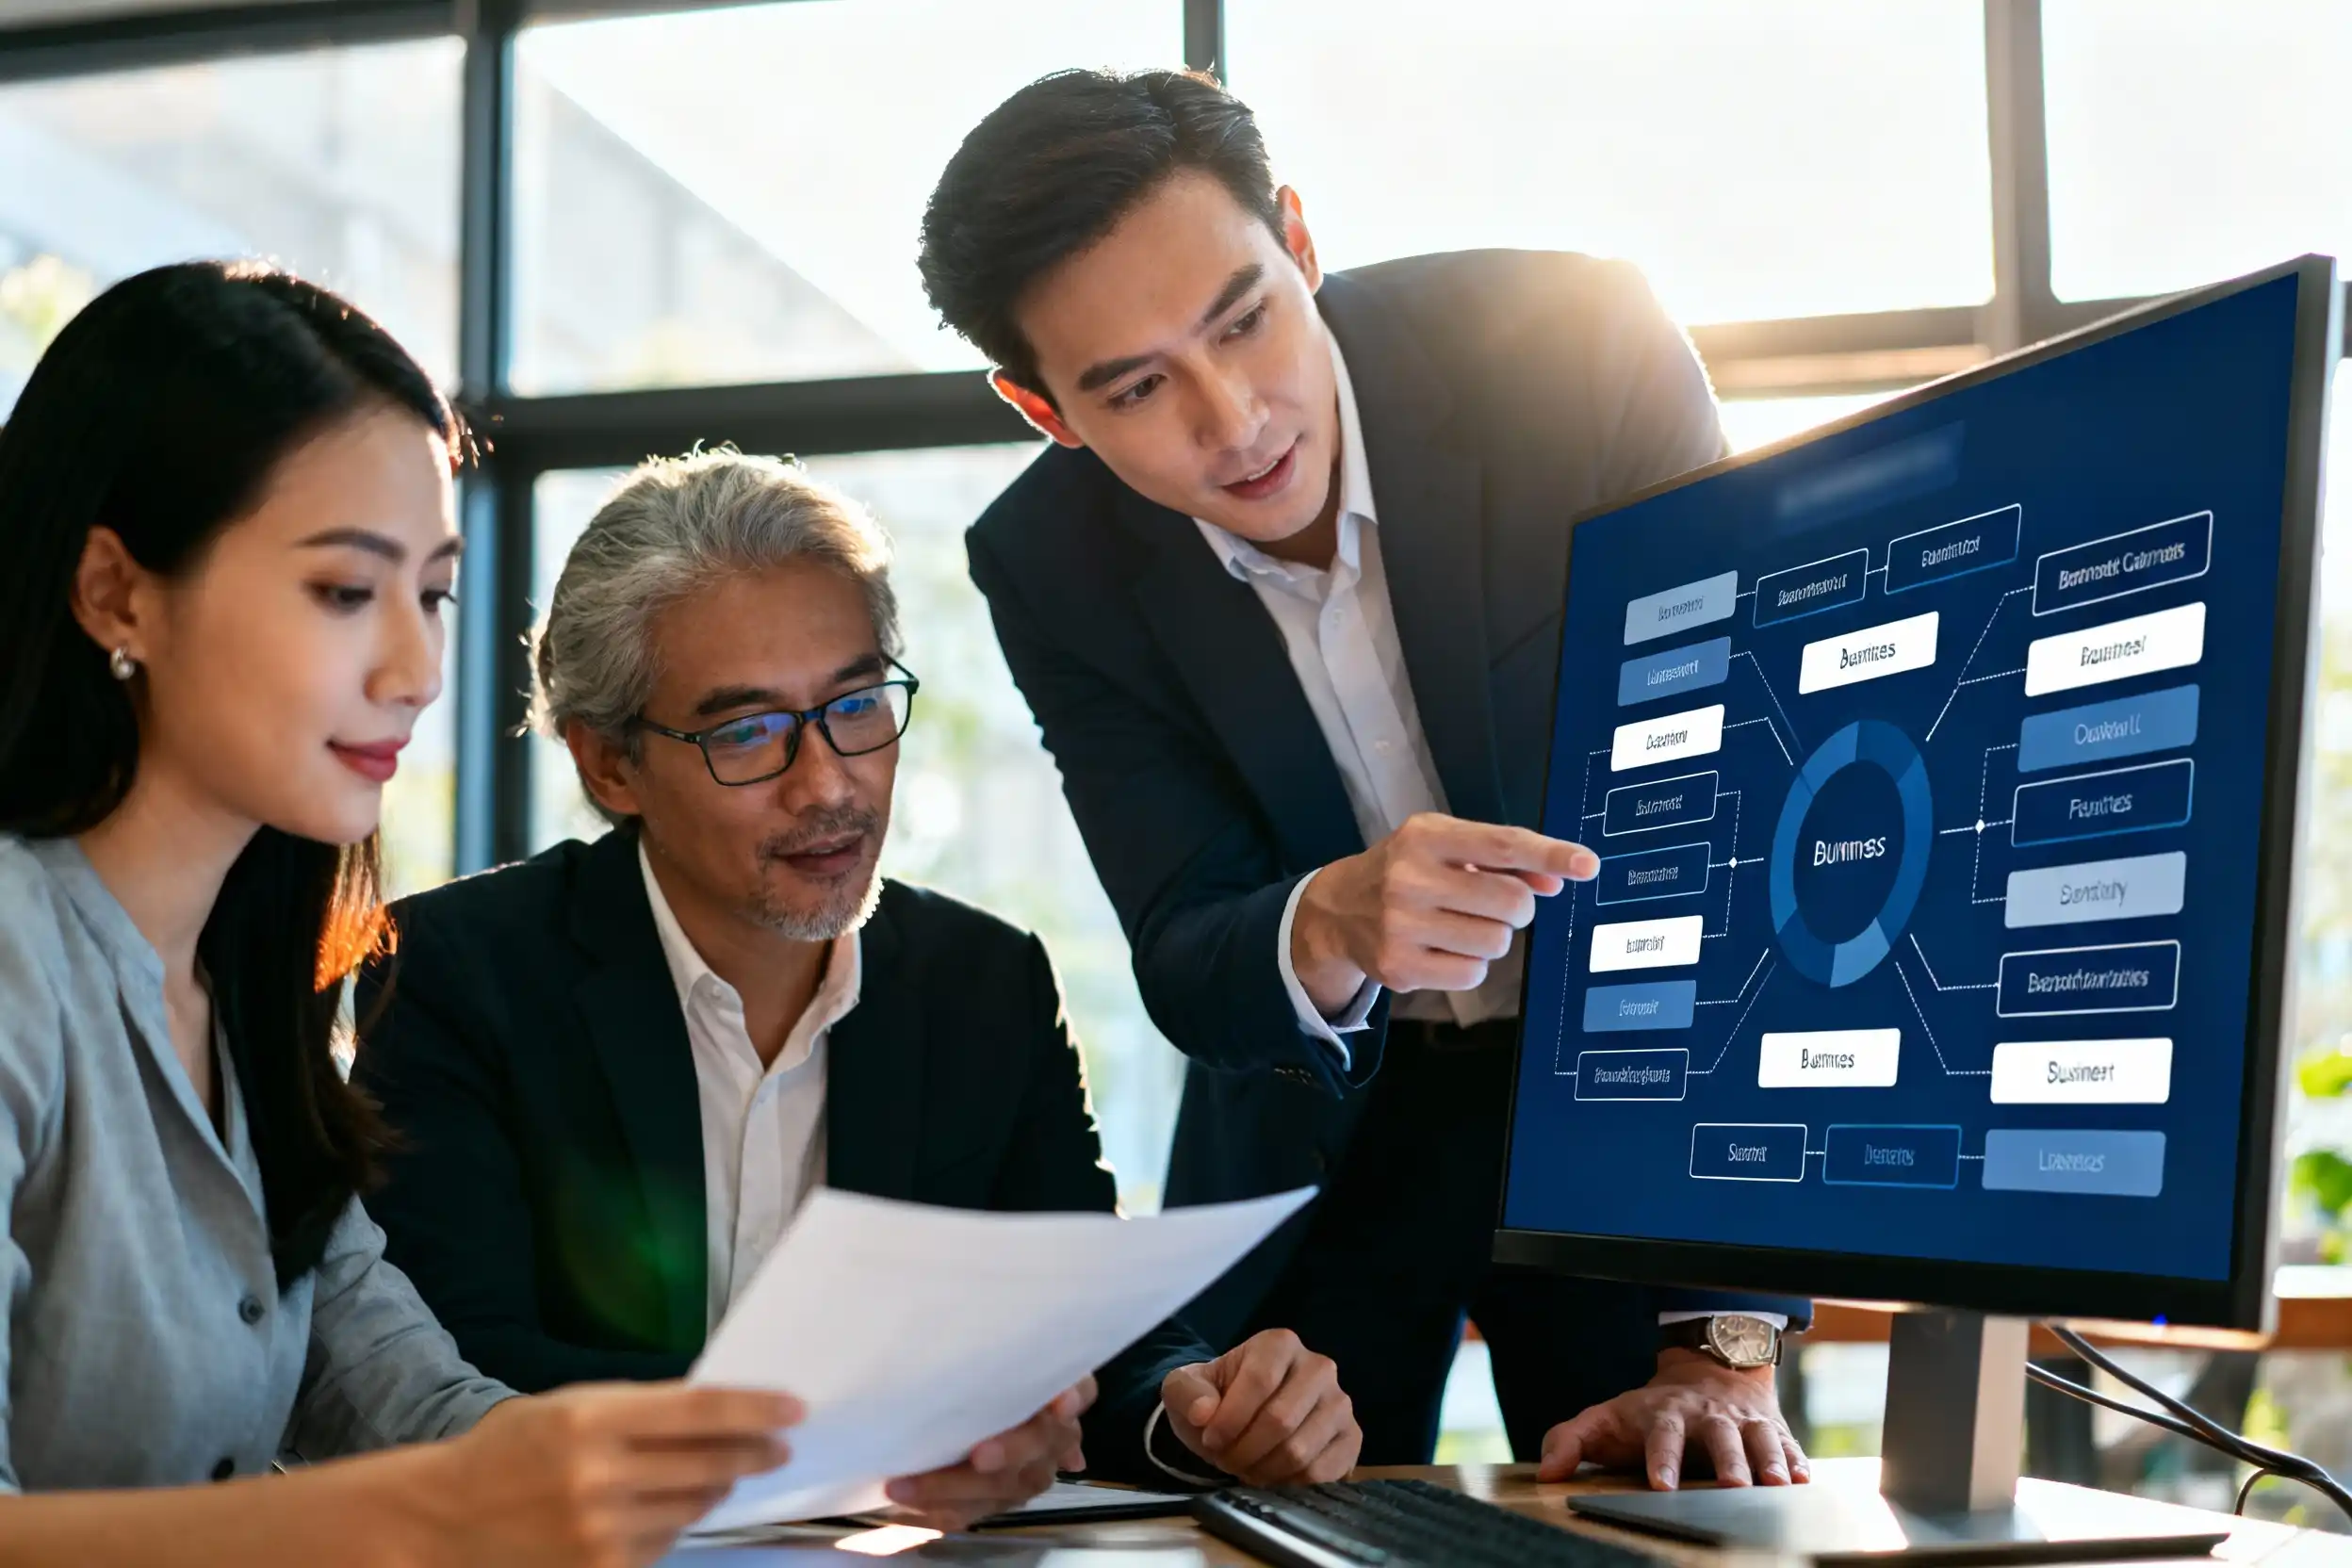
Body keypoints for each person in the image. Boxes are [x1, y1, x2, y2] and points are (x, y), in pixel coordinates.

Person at [920, 69, 1818, 1490]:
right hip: (1325, 1137)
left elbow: (1756, 832)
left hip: (1634, 1097)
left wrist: (1729, 1335)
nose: (1235, 422)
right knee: (1270, 1522)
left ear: (1298, 237)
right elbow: (1185, 942)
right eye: (1138, 388)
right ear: (1047, 410)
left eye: (1244, 320)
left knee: (1686, 1500)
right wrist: (1329, 924)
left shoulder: (1574, 352)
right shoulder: (1051, 565)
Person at [351, 448, 1364, 1527]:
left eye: (857, 704)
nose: (829, 783)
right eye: (748, 731)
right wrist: (876, 1431)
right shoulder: (457, 970)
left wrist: (1197, 1405)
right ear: (608, 764)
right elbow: (457, 1363)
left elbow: (1073, 1329)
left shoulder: (984, 984)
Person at [0, 261, 797, 1568]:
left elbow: (425, 1416)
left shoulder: (250, 1001)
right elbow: (436, 1495)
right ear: (115, 593)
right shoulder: (16, 960)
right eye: (343, 592)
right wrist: (429, 1515)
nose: (420, 672)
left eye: (431, 592)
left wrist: (819, 1455)